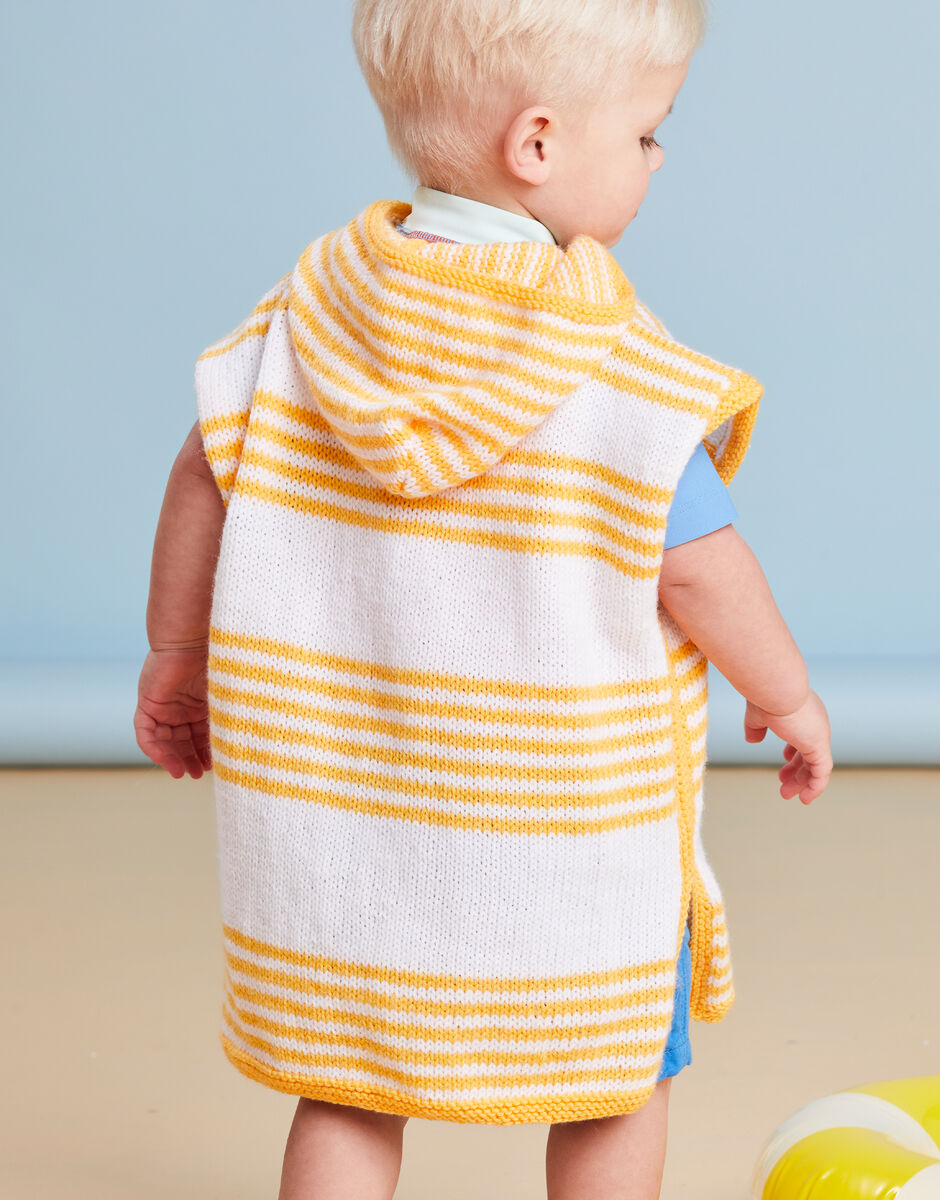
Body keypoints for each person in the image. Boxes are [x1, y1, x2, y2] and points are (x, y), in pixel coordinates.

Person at [134, 1, 833, 1196]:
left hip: (352, 834)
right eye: (648, 133)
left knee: (350, 1083)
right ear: (538, 143)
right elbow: (695, 559)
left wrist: (174, 660)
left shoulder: (310, 318)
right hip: (561, 838)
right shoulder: (610, 361)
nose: (658, 158)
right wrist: (787, 692)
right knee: (612, 1075)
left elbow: (208, 469)